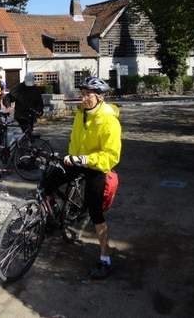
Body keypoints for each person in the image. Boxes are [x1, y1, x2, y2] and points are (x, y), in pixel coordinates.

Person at [45, 76, 121, 279]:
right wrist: (71, 158)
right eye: (83, 94)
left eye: (89, 95)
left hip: (96, 165)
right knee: (46, 183)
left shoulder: (108, 120)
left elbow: (111, 156)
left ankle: (105, 258)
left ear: (99, 97)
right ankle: (52, 218)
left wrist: (83, 158)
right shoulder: (81, 113)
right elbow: (75, 139)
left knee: (95, 211)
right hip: (75, 161)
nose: (84, 99)